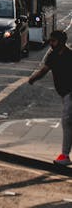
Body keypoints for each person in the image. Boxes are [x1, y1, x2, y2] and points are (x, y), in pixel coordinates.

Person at [28, 29, 72, 165]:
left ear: (61, 42)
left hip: (70, 93)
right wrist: (34, 78)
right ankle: (65, 155)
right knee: (68, 122)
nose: (51, 43)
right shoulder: (52, 56)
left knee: (66, 121)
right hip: (66, 94)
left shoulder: (69, 55)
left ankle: (65, 156)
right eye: (51, 40)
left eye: (53, 41)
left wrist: (32, 78)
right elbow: (44, 70)